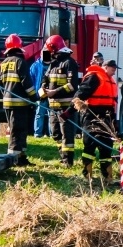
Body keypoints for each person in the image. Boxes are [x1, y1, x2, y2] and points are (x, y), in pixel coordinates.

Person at [73, 59, 120, 183]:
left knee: (106, 147)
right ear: (105, 67)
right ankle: (87, 174)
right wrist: (69, 111)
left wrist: (114, 121)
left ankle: (107, 176)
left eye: (115, 69)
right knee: (90, 145)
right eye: (112, 69)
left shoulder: (111, 81)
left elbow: (112, 103)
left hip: (106, 116)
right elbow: (80, 94)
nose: (114, 72)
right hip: (92, 115)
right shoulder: (95, 77)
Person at [40, 35, 80, 166]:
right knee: (55, 133)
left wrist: (55, 92)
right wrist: (43, 86)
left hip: (65, 106)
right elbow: (45, 77)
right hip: (53, 107)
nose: (47, 53)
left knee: (67, 135)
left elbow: (71, 85)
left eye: (48, 50)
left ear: (54, 49)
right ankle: (62, 157)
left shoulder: (69, 63)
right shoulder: (53, 63)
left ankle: (68, 161)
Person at [0, 34, 37, 166]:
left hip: (7, 103)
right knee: (17, 131)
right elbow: (27, 83)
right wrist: (34, 97)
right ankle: (13, 159)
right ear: (19, 48)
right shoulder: (20, 62)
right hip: (20, 103)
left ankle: (21, 157)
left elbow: (0, 84)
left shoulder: (3, 64)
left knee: (18, 130)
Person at [30, 50, 50, 138]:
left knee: (51, 115)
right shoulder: (35, 65)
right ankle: (38, 134)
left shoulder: (54, 64)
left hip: (51, 93)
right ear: (41, 54)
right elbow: (31, 80)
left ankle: (52, 134)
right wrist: (35, 93)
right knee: (39, 114)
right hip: (40, 94)